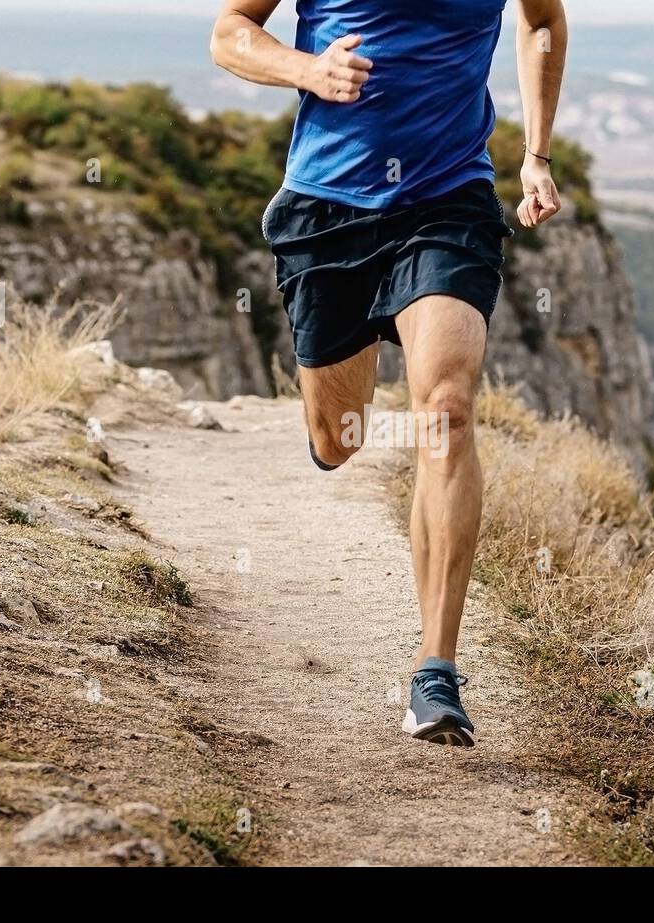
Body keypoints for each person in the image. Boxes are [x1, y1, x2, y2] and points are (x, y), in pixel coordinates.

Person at [212, 0, 567, 746]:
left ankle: (435, 670)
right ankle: (339, 412)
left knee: (446, 408)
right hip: (326, 211)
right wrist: (307, 69)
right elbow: (230, 33)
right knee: (339, 437)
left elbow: (541, 21)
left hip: (446, 204)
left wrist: (537, 153)